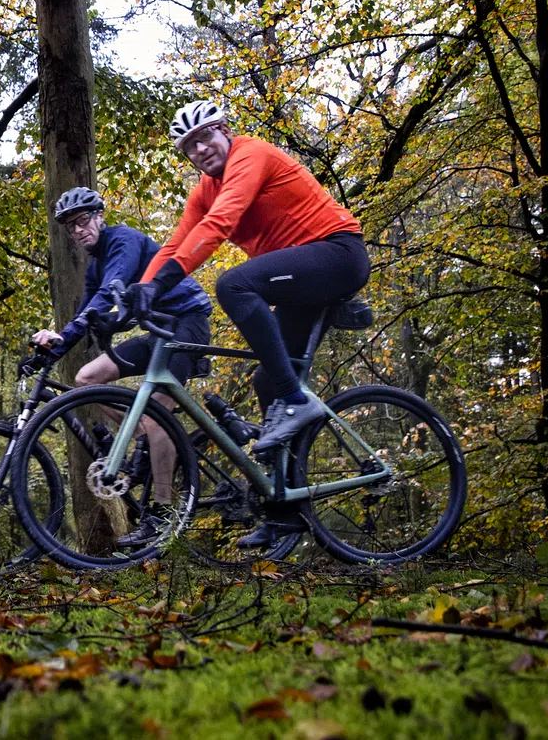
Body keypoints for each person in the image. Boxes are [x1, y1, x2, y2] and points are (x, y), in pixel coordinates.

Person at [126, 101, 370, 484]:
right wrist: (140, 291)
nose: (200, 149)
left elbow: (220, 224)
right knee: (265, 381)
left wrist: (160, 284)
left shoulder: (251, 153)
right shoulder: (205, 190)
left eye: (205, 136)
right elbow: (176, 246)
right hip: (299, 285)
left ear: (225, 130)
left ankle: (297, 400)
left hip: (337, 253)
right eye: (190, 146)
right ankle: (288, 509)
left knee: (234, 285)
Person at [31, 186, 215, 543]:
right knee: (87, 379)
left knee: (158, 414)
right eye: (70, 226)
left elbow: (109, 291)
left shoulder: (123, 241)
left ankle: (161, 513)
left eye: (83, 220)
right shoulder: (94, 266)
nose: (78, 230)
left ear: (100, 216)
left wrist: (74, 332)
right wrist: (57, 340)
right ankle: (150, 435)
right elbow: (88, 310)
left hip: (186, 322)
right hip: (156, 332)